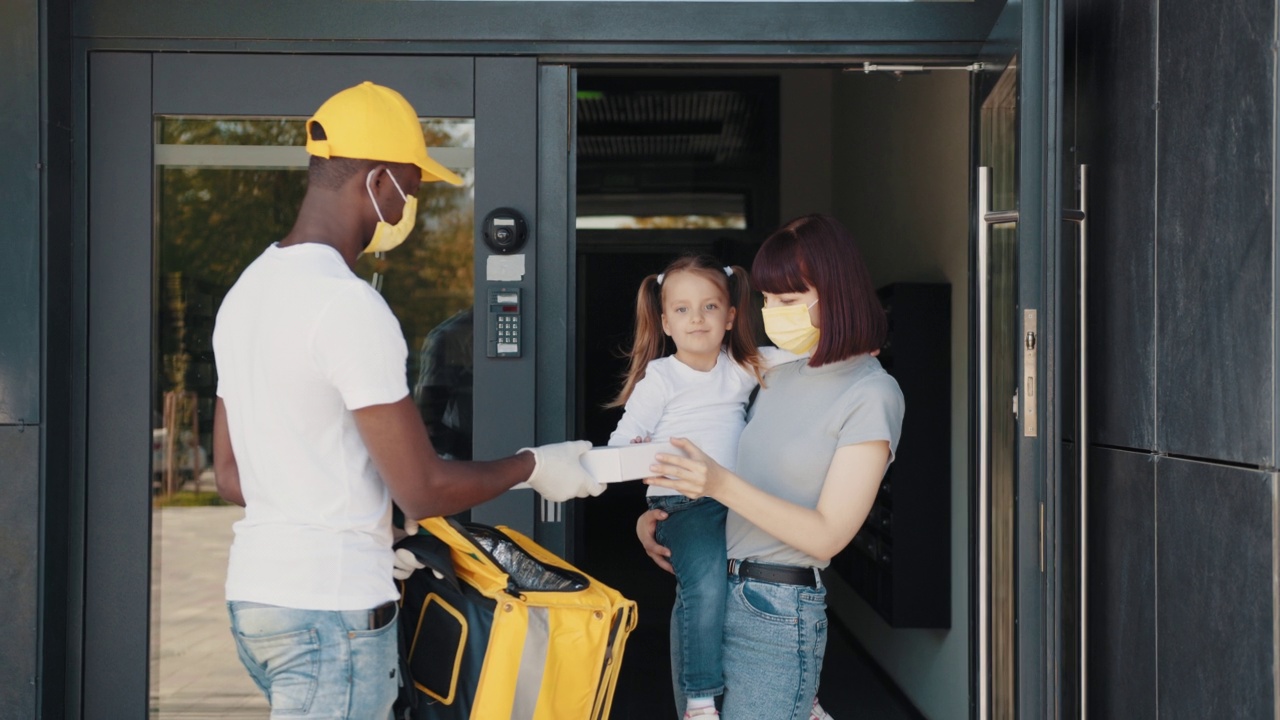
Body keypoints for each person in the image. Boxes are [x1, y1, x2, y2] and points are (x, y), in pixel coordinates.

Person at [211, 81, 603, 720]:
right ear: (378, 178)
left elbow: (232, 476)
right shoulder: (345, 305)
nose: (405, 207)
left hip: (260, 603)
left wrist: (368, 519)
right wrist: (535, 465)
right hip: (328, 615)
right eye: (410, 189)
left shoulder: (247, 294)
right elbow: (422, 487)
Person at [636, 214, 904, 720]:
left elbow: (826, 537)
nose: (772, 312)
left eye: (788, 300)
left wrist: (718, 482)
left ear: (837, 293)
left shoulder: (871, 392)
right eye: (766, 299)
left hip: (776, 609)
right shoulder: (772, 373)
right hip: (706, 594)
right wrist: (660, 516)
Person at [605, 254, 764, 719]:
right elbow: (621, 443)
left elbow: (801, 360)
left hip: (734, 499)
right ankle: (700, 699)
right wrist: (645, 453)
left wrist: (850, 350)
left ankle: (801, 691)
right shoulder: (661, 377)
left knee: (779, 580)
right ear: (665, 322)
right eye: (682, 310)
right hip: (684, 505)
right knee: (707, 585)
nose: (697, 318)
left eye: (710, 307)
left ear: (731, 317)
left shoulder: (742, 367)